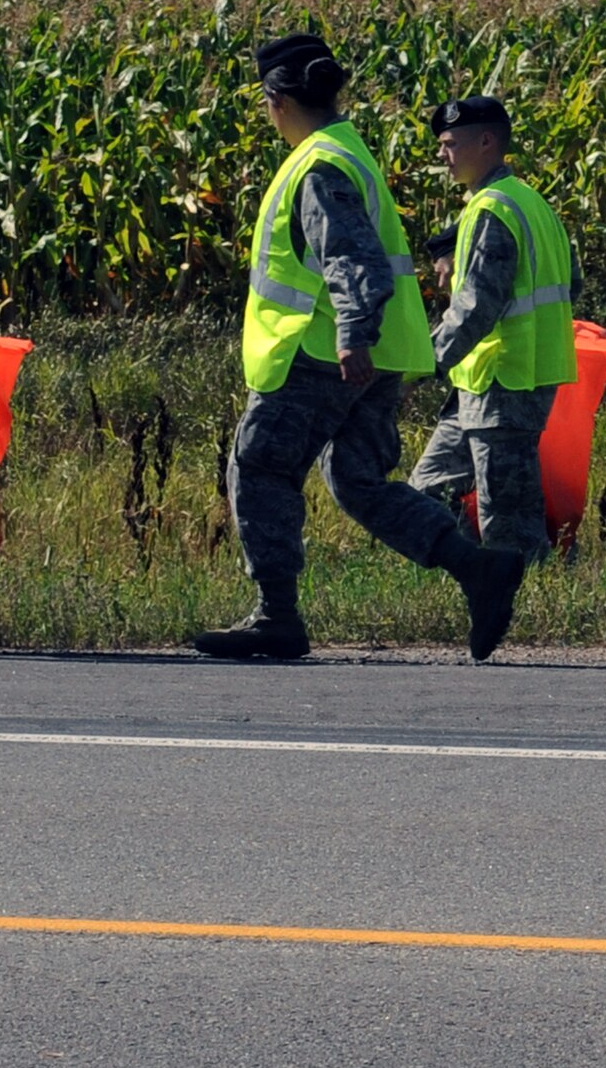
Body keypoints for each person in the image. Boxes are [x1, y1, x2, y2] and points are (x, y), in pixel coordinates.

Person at [194, 35, 527, 662]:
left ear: (276, 100)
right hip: (381, 357)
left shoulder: (318, 165)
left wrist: (351, 333)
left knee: (261, 466)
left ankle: (277, 617)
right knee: (355, 479)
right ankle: (476, 569)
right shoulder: (348, 150)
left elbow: (352, 258)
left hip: (324, 353)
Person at [407, 96, 581, 562]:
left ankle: (519, 598)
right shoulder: (530, 203)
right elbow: (574, 280)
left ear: (486, 142)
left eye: (449, 144)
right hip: (487, 381)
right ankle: (471, 574)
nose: (442, 156)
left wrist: (423, 363)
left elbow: (476, 308)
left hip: (507, 377)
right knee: (427, 488)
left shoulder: (492, 210)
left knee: (508, 518)